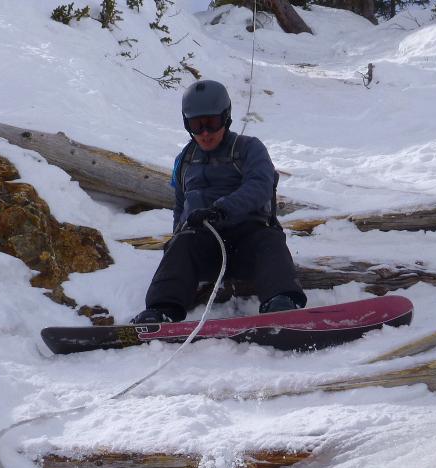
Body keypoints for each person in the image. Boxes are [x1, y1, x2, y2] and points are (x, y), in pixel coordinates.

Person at [131, 80, 307, 324]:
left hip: (248, 242)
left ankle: (282, 302)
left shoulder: (249, 149)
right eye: (196, 124)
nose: (204, 133)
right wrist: (179, 235)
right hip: (205, 247)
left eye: (211, 123)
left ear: (226, 118)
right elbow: (180, 206)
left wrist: (221, 209)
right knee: (181, 244)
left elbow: (260, 186)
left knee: (269, 240)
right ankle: (162, 311)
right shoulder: (185, 160)